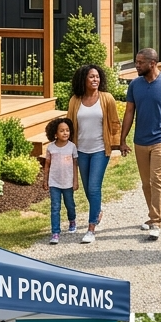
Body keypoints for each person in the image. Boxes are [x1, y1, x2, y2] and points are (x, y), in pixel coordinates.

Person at [119, 48, 161, 242]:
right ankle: (152, 214)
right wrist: (122, 139)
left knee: (157, 180)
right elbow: (129, 112)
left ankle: (155, 222)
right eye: (136, 62)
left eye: (140, 62)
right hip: (140, 141)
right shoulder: (135, 85)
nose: (136, 65)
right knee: (146, 183)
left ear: (152, 64)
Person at [66, 63, 121, 245]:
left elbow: (114, 123)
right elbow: (70, 125)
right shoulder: (75, 100)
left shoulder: (107, 98)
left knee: (94, 187)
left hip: (99, 150)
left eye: (97, 76)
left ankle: (91, 229)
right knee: (88, 188)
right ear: (83, 79)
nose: (95, 79)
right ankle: (97, 210)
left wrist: (119, 144)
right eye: (91, 77)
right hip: (81, 150)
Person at [44, 116, 78, 245]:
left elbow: (75, 165)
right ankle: (55, 232)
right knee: (55, 207)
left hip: (68, 182)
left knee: (70, 204)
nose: (65, 133)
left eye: (67, 130)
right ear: (55, 134)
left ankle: (72, 220)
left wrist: (75, 181)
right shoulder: (50, 148)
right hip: (54, 182)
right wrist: (45, 180)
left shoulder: (72, 147)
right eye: (62, 131)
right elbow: (47, 165)